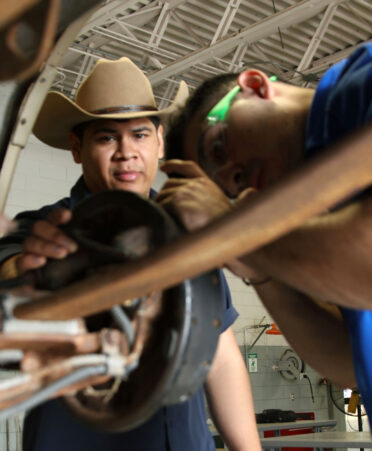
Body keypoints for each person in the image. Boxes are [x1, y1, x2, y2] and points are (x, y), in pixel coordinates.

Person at [0, 57, 261, 450]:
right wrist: (40, 273)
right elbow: (12, 275)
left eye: (139, 134)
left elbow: (220, 355)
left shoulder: (187, 231)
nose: (126, 152)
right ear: (77, 147)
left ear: (159, 142)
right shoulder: (41, 231)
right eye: (106, 138)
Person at [157, 43, 372, 424]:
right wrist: (259, 274)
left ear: (254, 85)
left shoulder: (362, 86)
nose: (232, 180)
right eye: (224, 190)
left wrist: (235, 232)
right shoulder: (323, 211)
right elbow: (351, 362)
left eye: (217, 148)